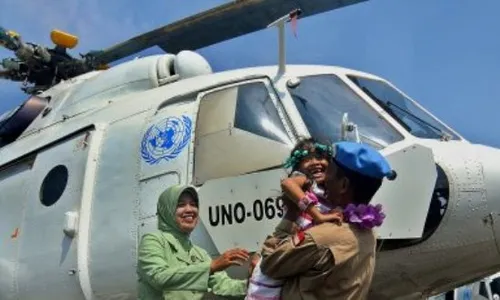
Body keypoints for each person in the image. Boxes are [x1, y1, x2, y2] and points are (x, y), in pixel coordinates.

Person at [259, 141, 397, 300]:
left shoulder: (322, 237)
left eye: (328, 174)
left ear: (343, 185)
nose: (324, 180)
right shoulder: (368, 232)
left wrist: (290, 215)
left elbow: (270, 265)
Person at [246, 138, 344, 300]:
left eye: (320, 157)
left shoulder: (327, 190)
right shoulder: (305, 180)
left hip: (303, 251)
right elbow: (288, 184)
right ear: (298, 166)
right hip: (286, 245)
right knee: (264, 291)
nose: (315, 163)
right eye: (307, 159)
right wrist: (317, 215)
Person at [137, 184, 249, 300]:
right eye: (181, 205)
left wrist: (254, 282)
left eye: (194, 204)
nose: (189, 210)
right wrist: (211, 267)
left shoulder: (200, 254)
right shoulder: (153, 240)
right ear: (167, 210)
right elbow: (159, 277)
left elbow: (224, 286)